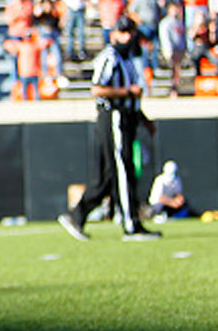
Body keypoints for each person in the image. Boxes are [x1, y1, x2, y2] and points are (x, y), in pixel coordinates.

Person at [57, 16, 161, 242]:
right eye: (124, 32)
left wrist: (144, 119)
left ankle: (77, 215)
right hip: (113, 117)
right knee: (123, 170)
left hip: (126, 117)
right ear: (114, 34)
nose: (128, 37)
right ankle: (131, 225)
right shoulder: (109, 57)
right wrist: (127, 92)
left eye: (130, 32)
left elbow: (132, 96)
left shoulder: (128, 60)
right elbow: (97, 89)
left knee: (106, 177)